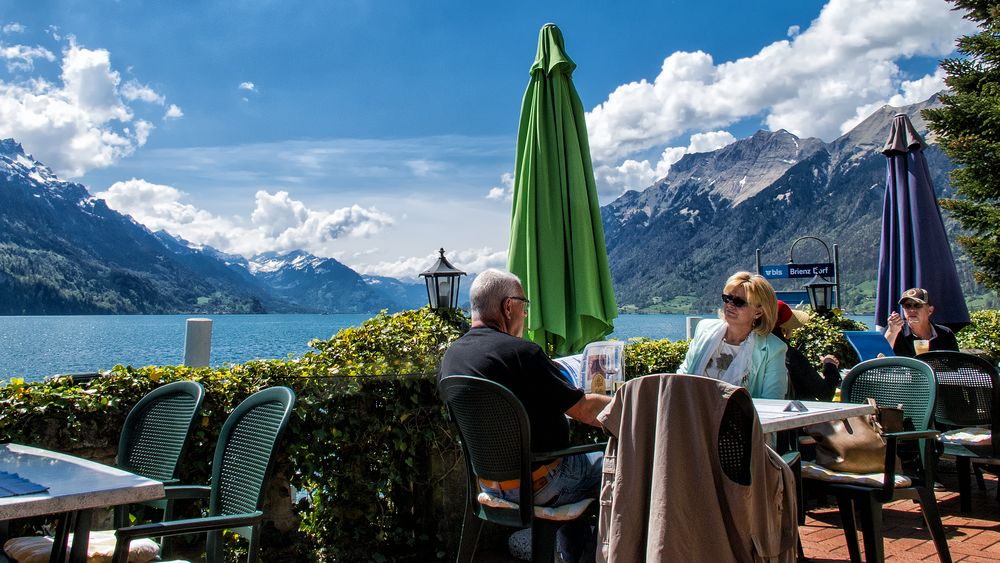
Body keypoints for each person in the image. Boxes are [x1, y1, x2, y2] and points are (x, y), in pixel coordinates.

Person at [438, 269, 610, 563]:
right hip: (543, 484)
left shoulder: (452, 357)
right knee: (619, 465)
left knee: (577, 466)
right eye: (524, 305)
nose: (525, 314)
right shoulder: (522, 353)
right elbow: (584, 411)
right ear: (508, 306)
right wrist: (632, 404)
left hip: (488, 485)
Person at [678, 271, 789, 399]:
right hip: (694, 414)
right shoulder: (704, 329)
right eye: (727, 298)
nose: (730, 305)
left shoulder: (773, 348)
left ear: (758, 312)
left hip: (741, 418)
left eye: (739, 302)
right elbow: (683, 375)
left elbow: (773, 401)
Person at [772, 301, 841, 401]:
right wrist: (830, 366)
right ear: (784, 328)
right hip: (796, 412)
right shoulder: (791, 356)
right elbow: (825, 394)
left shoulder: (753, 349)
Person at [884, 287, 959, 357]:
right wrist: (892, 332)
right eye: (907, 306)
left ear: (930, 310)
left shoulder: (945, 334)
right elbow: (880, 358)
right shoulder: (894, 331)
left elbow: (955, 364)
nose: (912, 310)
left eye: (917, 305)